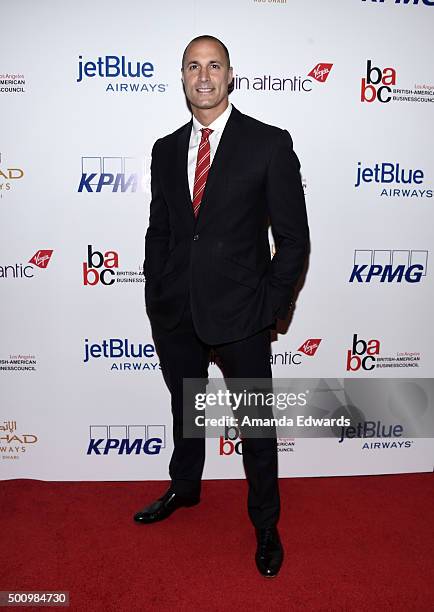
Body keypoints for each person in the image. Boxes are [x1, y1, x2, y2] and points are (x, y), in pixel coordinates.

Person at [134, 35, 309, 578]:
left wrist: (269, 307)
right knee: (185, 410)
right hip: (176, 308)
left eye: (214, 66)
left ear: (231, 75)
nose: (203, 76)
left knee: (255, 427)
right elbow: (161, 226)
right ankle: (185, 488)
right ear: (182, 77)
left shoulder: (268, 144)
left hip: (241, 314)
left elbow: (294, 241)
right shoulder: (165, 149)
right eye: (193, 66)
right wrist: (155, 282)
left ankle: (265, 525)